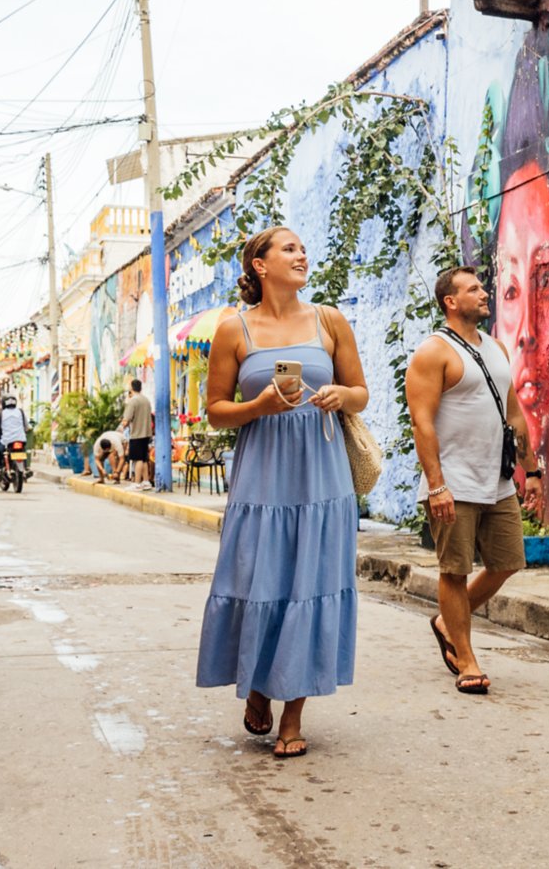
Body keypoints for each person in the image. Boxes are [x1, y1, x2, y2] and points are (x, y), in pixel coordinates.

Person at [195, 227, 369, 759]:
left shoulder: (329, 320)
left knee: (310, 585)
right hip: (261, 477)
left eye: (303, 247)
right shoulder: (233, 330)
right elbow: (217, 410)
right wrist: (258, 407)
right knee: (256, 578)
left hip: (322, 479)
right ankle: (255, 684)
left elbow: (361, 392)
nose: (302, 254)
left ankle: (293, 716)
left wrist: (342, 395)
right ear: (260, 264)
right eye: (289, 248)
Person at [404, 265, 543, 698]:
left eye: (482, 287)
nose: (484, 293)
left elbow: (514, 413)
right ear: (450, 301)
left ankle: (449, 621)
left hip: (496, 479)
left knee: (506, 562)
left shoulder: (496, 348)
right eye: (473, 289)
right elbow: (422, 423)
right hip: (455, 482)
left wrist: (532, 469)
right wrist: (437, 485)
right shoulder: (434, 352)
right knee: (455, 570)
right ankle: (465, 658)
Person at [122, 378, 155, 490]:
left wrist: (123, 425)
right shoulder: (146, 400)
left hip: (137, 433)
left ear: (131, 387)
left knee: (137, 459)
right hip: (146, 433)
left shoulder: (133, 401)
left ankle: (136, 483)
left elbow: (126, 419)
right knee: (144, 458)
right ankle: (146, 481)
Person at [0, 395, 29, 472]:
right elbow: (27, 427)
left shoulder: (0, 414)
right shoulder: (21, 412)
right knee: (23, 450)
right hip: (21, 440)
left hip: (6, 441)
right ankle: (26, 468)